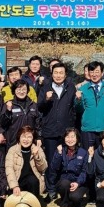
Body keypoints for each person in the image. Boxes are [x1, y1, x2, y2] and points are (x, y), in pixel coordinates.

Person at [37, 62, 77, 199]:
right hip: (50, 131)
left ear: (65, 75)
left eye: (61, 73)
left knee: (67, 160)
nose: (58, 75)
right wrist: (46, 99)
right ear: (51, 74)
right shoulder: (45, 88)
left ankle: (64, 186)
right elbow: (39, 108)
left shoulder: (71, 88)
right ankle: (51, 188)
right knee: (51, 161)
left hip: (66, 132)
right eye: (56, 73)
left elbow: (75, 108)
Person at [76, 61, 104, 149]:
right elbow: (78, 110)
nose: (94, 74)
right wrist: (78, 100)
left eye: (97, 71)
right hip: (88, 129)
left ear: (102, 73)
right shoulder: (83, 89)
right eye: (91, 71)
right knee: (87, 157)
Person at [49, 128, 88, 207]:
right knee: (64, 183)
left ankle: (72, 200)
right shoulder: (60, 150)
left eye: (72, 137)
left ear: (77, 138)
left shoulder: (83, 152)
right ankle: (64, 203)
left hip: (78, 182)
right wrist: (59, 154)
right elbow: (54, 168)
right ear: (64, 138)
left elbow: (84, 171)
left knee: (76, 198)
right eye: (67, 137)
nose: (70, 140)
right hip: (64, 181)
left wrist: (78, 183)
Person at [5, 126, 47, 203]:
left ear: (33, 139)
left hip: (33, 184)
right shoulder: (12, 150)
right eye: (23, 137)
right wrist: (14, 186)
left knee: (32, 180)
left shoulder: (38, 149)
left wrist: (36, 156)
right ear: (19, 138)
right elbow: (9, 169)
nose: (26, 140)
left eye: (29, 137)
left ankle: (34, 202)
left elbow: (43, 168)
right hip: (17, 182)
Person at [0, 80, 40, 148]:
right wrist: (8, 111)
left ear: (27, 90)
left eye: (24, 89)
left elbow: (38, 123)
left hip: (30, 142)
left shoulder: (33, 105)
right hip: (13, 142)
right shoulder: (8, 104)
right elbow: (3, 124)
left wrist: (39, 137)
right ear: (14, 90)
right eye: (18, 89)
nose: (21, 92)